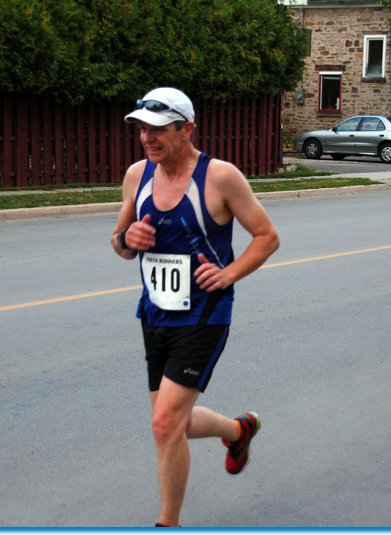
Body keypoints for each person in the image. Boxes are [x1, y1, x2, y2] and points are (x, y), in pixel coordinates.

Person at [111, 87, 280, 526]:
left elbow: (267, 237)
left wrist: (229, 274)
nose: (147, 138)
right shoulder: (136, 176)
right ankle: (238, 430)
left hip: (205, 314)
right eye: (142, 129)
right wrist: (127, 239)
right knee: (174, 423)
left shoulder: (219, 177)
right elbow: (119, 243)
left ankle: (168, 522)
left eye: (157, 129)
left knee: (164, 425)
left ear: (186, 129)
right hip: (154, 312)